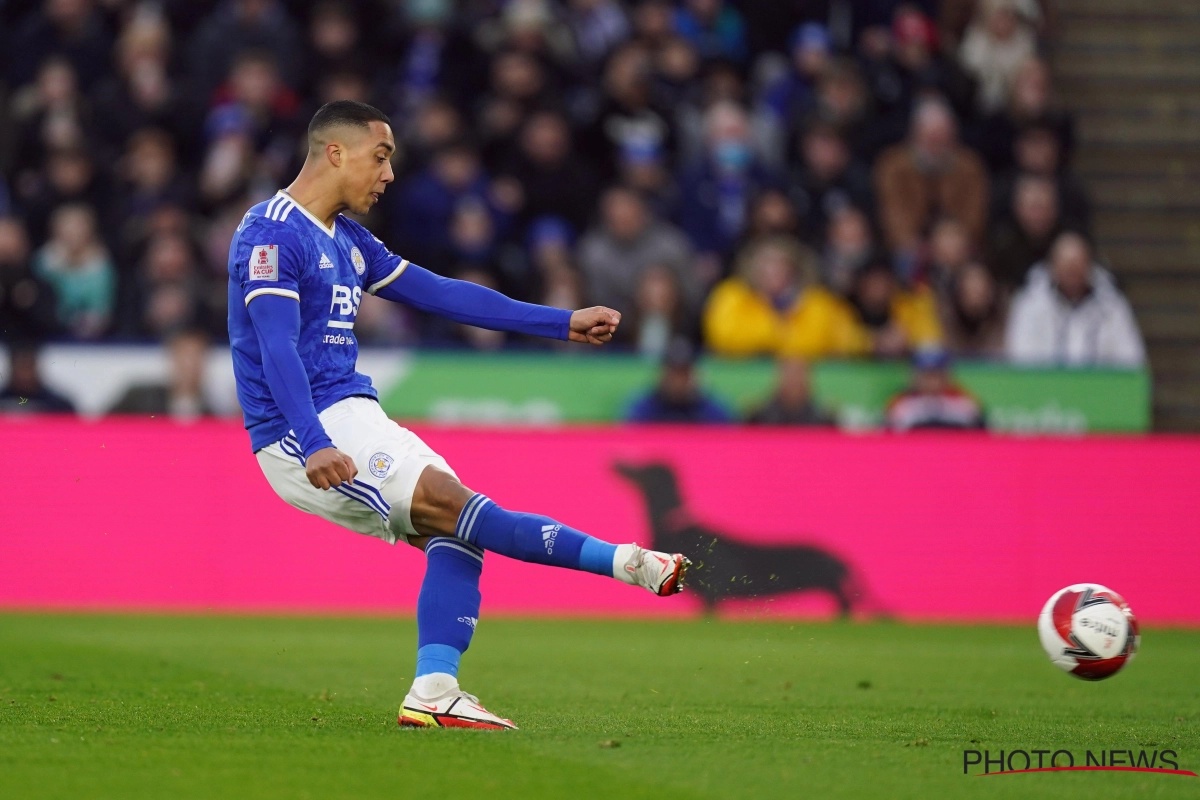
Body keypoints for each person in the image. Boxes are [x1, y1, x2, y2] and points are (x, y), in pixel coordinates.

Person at [227, 101, 690, 732]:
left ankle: (435, 689)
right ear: (334, 152)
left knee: (459, 536)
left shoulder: (348, 239)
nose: (388, 174)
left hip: (353, 414)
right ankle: (627, 563)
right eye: (381, 156)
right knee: (458, 506)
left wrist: (561, 322)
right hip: (302, 430)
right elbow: (276, 345)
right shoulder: (272, 230)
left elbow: (447, 294)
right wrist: (312, 442)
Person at [1005, 232, 1146, 367]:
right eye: (1067, 267)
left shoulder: (1112, 307)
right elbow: (1020, 356)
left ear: (1089, 266)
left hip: (1099, 388)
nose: (1072, 273)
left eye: (1077, 265)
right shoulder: (1031, 304)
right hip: (1045, 388)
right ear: (1053, 267)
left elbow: (1131, 359)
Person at [624, 338, 732, 423]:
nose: (678, 381)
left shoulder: (711, 411)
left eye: (683, 374)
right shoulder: (645, 409)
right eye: (674, 373)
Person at [885, 349, 985, 431]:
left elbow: (980, 433)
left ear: (946, 376)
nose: (931, 381)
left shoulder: (964, 402)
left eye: (936, 375)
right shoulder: (899, 404)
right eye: (926, 375)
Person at [746, 358, 832, 426]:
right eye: (789, 373)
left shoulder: (823, 420)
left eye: (799, 373)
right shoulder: (758, 418)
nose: (794, 379)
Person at [0, 341, 75, 413]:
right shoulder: (2, 400)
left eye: (28, 367)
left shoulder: (59, 405)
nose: (24, 374)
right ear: (12, 368)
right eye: (21, 367)